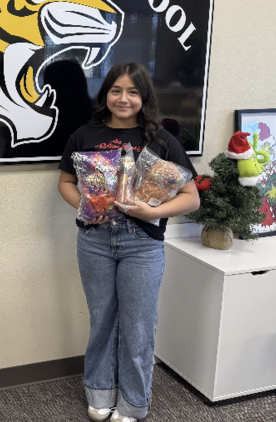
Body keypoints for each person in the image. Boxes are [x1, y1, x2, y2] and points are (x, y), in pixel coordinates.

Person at [57, 62, 199, 422]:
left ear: (143, 97)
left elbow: (191, 197)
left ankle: (134, 402)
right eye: (116, 90)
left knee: (138, 324)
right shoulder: (84, 135)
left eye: (133, 91)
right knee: (102, 318)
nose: (123, 98)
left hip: (143, 243)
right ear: (105, 94)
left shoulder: (162, 140)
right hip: (94, 240)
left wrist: (153, 212)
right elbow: (65, 183)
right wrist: (89, 205)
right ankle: (100, 391)